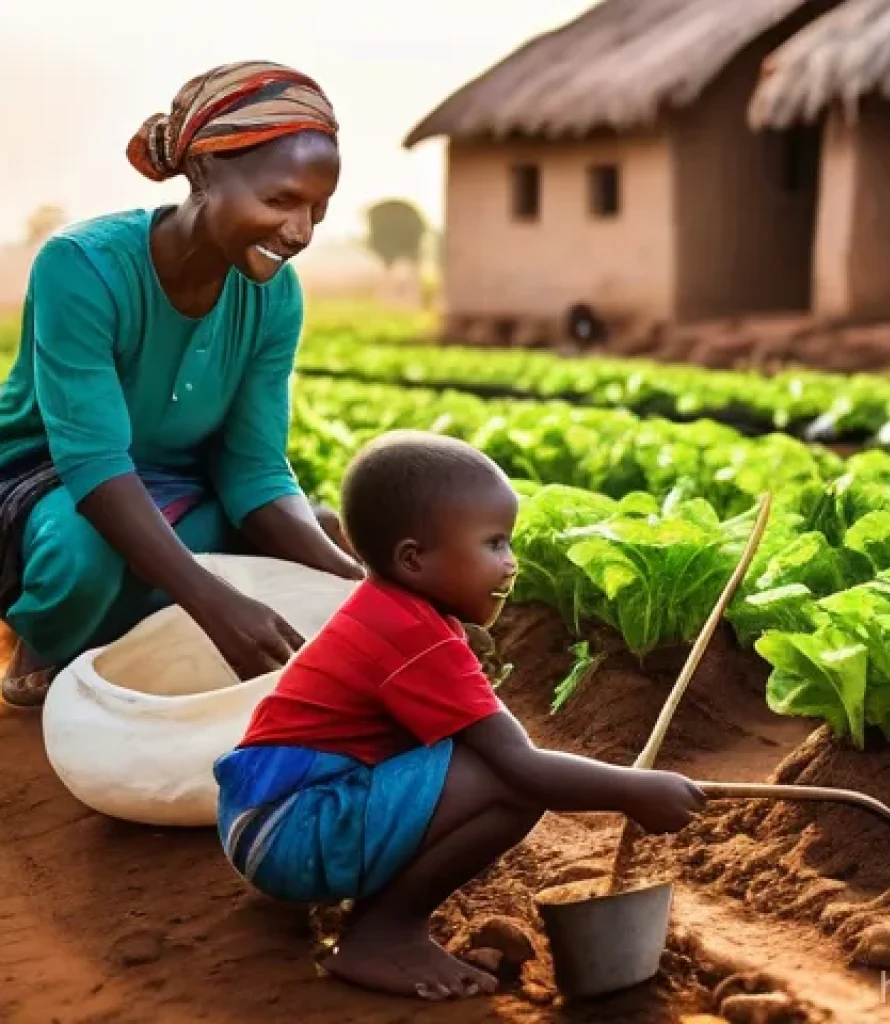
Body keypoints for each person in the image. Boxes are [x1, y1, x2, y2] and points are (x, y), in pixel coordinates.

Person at [213, 431, 706, 1002]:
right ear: (413, 559)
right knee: (506, 782)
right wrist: (633, 790)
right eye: (493, 544)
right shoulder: (416, 638)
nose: (510, 563)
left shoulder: (392, 611)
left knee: (478, 758)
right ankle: (383, 933)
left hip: (269, 817)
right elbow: (521, 766)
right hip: (288, 832)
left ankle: (369, 894)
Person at [0, 61, 365, 707]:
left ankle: (121, 641)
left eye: (318, 208)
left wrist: (367, 592)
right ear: (201, 176)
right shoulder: (82, 266)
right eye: (279, 200)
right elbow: (93, 459)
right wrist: (211, 600)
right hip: (51, 476)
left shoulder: (274, 297)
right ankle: (46, 639)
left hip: (178, 483)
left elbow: (254, 469)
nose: (301, 231)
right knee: (83, 562)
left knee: (319, 539)